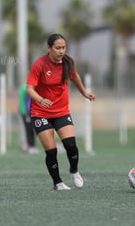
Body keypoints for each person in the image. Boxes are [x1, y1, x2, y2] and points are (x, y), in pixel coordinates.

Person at [26, 33, 95, 190]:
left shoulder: (68, 63)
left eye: (63, 47)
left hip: (61, 111)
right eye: (58, 48)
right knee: (51, 151)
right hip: (40, 112)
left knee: (71, 145)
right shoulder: (39, 65)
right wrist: (40, 100)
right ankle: (58, 183)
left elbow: (75, 78)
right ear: (49, 48)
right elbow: (29, 89)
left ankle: (74, 170)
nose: (61, 51)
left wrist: (84, 92)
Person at [18, 83, 38, 154]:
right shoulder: (24, 88)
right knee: (29, 129)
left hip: (32, 112)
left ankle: (31, 146)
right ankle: (30, 146)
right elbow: (21, 101)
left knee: (32, 129)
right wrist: (24, 113)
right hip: (26, 113)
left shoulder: (34, 88)